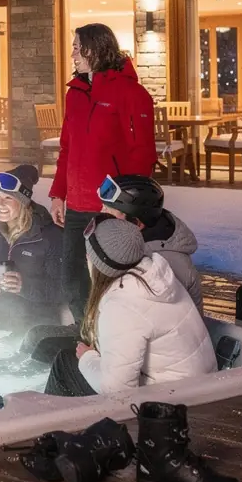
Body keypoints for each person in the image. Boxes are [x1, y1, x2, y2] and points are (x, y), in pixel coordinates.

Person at [49, 24, 156, 321]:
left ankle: (113, 343)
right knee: (72, 282)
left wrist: (125, 206)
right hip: (77, 206)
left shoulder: (131, 93)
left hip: (109, 208)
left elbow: (143, 153)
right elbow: (67, 149)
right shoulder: (75, 94)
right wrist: (59, 193)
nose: (72, 53)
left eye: (76, 47)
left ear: (94, 48)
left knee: (110, 284)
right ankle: (87, 340)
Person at [44, 216, 216, 398]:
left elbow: (117, 390)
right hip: (197, 384)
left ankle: (44, 424)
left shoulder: (122, 304)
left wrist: (87, 357)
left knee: (65, 362)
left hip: (173, 401)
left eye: (89, 253)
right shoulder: (154, 274)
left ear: (97, 262)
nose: (86, 257)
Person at [0, 165, 65, 334]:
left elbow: (61, 289)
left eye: (8, 198)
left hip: (36, 316)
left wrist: (24, 286)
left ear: (23, 200)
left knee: (20, 345)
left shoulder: (49, 234)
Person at [96, 174, 203, 313]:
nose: (101, 213)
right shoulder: (132, 244)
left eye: (108, 211)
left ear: (136, 222)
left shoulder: (166, 265)